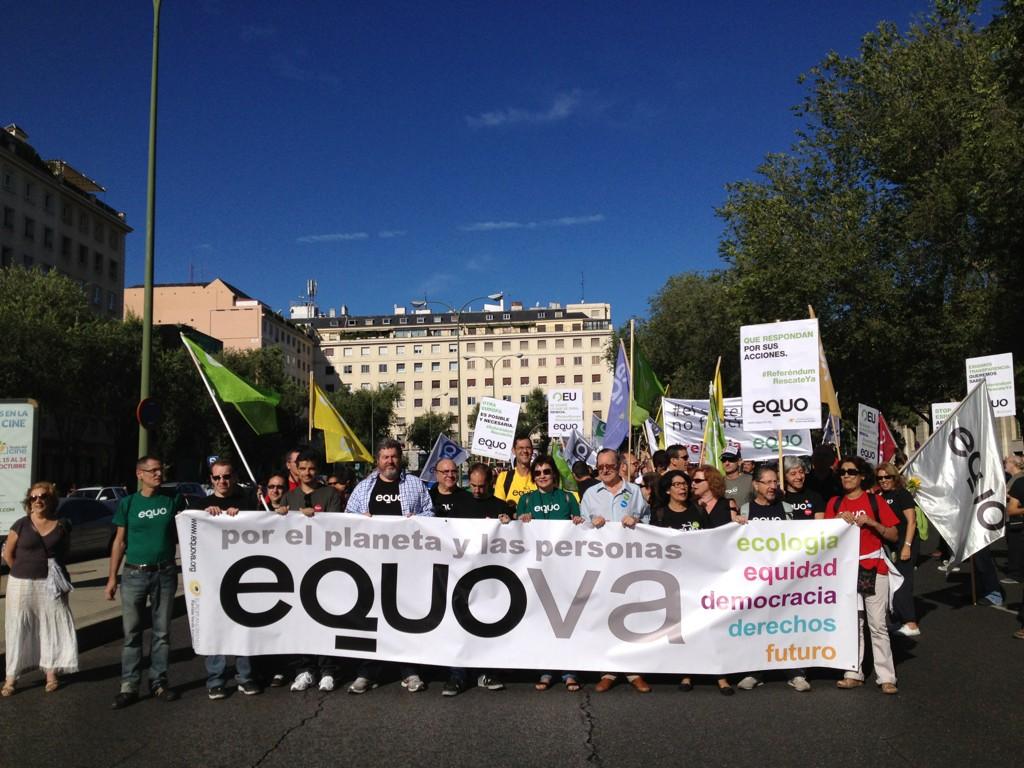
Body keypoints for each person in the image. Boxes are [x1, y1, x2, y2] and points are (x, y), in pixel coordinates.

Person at [345, 439, 433, 694]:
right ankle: (367, 671)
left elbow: (431, 513)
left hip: (407, 565)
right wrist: (360, 521)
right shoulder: (363, 488)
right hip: (372, 565)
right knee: (371, 618)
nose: (390, 461)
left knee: (406, 617)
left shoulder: (415, 485)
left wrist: (415, 520)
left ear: (400, 458)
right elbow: (347, 518)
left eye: (394, 456)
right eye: (385, 457)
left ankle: (410, 670)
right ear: (377, 461)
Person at [106, 456, 186, 709]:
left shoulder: (172, 500)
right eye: (153, 471)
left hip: (164, 573)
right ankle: (129, 685)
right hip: (133, 575)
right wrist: (112, 578)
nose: (159, 474)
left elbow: (191, 528)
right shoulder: (128, 504)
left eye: (161, 470)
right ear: (139, 474)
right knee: (132, 633)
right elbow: (119, 542)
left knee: (162, 633)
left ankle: (158, 681)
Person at [825, 456, 900, 695]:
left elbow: (893, 535)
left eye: (851, 472)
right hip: (846, 571)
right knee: (852, 624)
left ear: (862, 476)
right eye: (842, 473)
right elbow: (823, 539)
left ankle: (886, 677)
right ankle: (853, 672)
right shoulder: (835, 504)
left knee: (877, 625)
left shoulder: (875, 501)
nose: (846, 476)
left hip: (874, 567)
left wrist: (872, 523)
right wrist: (836, 523)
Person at [732, 466, 809, 693]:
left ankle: (795, 672)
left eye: (775, 481)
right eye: (767, 482)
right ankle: (755, 671)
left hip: (784, 579)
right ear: (756, 485)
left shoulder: (786, 509)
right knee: (756, 626)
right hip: (757, 580)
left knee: (788, 626)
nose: (773, 486)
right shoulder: (746, 510)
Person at [581, 449, 652, 694]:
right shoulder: (590, 494)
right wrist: (592, 524)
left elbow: (649, 523)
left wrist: (638, 522)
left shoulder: (634, 492)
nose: (604, 470)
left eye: (609, 465)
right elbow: (580, 529)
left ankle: (634, 671)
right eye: (600, 467)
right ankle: (608, 671)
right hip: (601, 566)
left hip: (629, 564)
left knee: (630, 617)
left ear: (620, 465)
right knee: (605, 616)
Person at [442, 463, 511, 696]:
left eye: (482, 486)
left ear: (491, 483)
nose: (477, 491)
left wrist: (508, 523)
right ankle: (457, 676)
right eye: (473, 486)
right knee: (459, 626)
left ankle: (487, 672)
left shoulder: (501, 507)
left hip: (490, 579)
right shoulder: (459, 503)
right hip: (462, 576)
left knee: (488, 625)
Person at [517, 455, 585, 692]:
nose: (542, 475)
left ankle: (569, 671)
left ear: (554, 474)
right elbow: (516, 534)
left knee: (567, 620)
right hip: (537, 569)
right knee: (542, 621)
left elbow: (580, 527)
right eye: (537, 473)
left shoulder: (568, 498)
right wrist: (521, 520)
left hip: (565, 567)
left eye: (546, 471)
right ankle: (545, 670)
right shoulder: (526, 500)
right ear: (533, 477)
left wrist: (578, 520)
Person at [2, 482, 77, 696]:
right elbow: (8, 554)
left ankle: (51, 673)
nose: (38, 500)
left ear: (50, 500)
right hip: (21, 583)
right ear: (29, 502)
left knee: (51, 625)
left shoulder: (61, 525)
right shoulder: (21, 525)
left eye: (42, 496)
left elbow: (64, 554)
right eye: (33, 498)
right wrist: (23, 569)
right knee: (18, 627)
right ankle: (10, 678)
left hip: (50, 582)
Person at [282, 451, 344, 692]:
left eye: (311, 468)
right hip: (296, 567)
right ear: (296, 469)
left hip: (325, 566)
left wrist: (314, 518)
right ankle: (304, 669)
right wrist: (281, 515)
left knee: (326, 620)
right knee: (300, 621)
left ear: (317, 470)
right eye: (303, 468)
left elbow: (336, 526)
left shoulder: (330, 494)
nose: (307, 473)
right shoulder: (290, 496)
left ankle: (328, 670)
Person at [202, 459, 261, 699]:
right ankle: (215, 680)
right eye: (217, 478)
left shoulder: (246, 502)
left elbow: (260, 528)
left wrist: (244, 514)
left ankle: (245, 677)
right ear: (211, 480)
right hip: (213, 576)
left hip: (242, 576)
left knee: (242, 625)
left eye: (226, 476)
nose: (222, 481)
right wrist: (206, 516)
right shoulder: (202, 505)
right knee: (215, 627)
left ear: (234, 477)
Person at [680, 465, 736, 695]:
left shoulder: (727, 505)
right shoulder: (691, 507)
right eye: (692, 481)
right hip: (693, 571)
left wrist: (740, 522)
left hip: (718, 572)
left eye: (698, 481)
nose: (692, 484)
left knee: (715, 623)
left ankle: (720, 674)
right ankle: (687, 672)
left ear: (711, 483)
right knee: (691, 622)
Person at [875, 461, 920, 637]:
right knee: (892, 583)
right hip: (890, 544)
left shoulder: (902, 494)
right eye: (880, 478)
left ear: (895, 477)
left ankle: (911, 623)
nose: (884, 480)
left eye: (887, 477)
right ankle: (900, 619)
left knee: (902, 583)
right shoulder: (880, 496)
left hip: (905, 543)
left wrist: (907, 546)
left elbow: (912, 521)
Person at [494, 436, 537, 511]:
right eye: (520, 448)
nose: (525, 451)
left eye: (528, 448)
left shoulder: (539, 477)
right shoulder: (504, 477)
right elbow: (499, 508)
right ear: (513, 450)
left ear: (532, 450)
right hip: (513, 522)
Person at [782, 456, 824, 520]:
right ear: (784, 476)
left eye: (801, 472)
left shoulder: (815, 497)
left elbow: (819, 523)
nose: (799, 477)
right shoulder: (780, 497)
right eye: (793, 474)